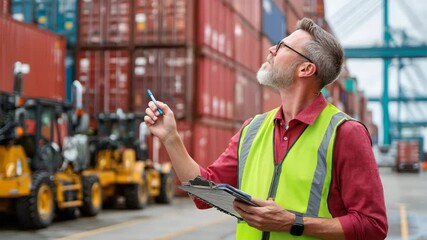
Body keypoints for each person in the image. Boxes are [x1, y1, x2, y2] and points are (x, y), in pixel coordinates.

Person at [144, 18, 388, 240]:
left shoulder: (345, 133)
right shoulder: (253, 129)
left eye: (282, 46)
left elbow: (373, 226)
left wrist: (294, 223)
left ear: (305, 69)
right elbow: (202, 193)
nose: (271, 49)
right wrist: (171, 138)